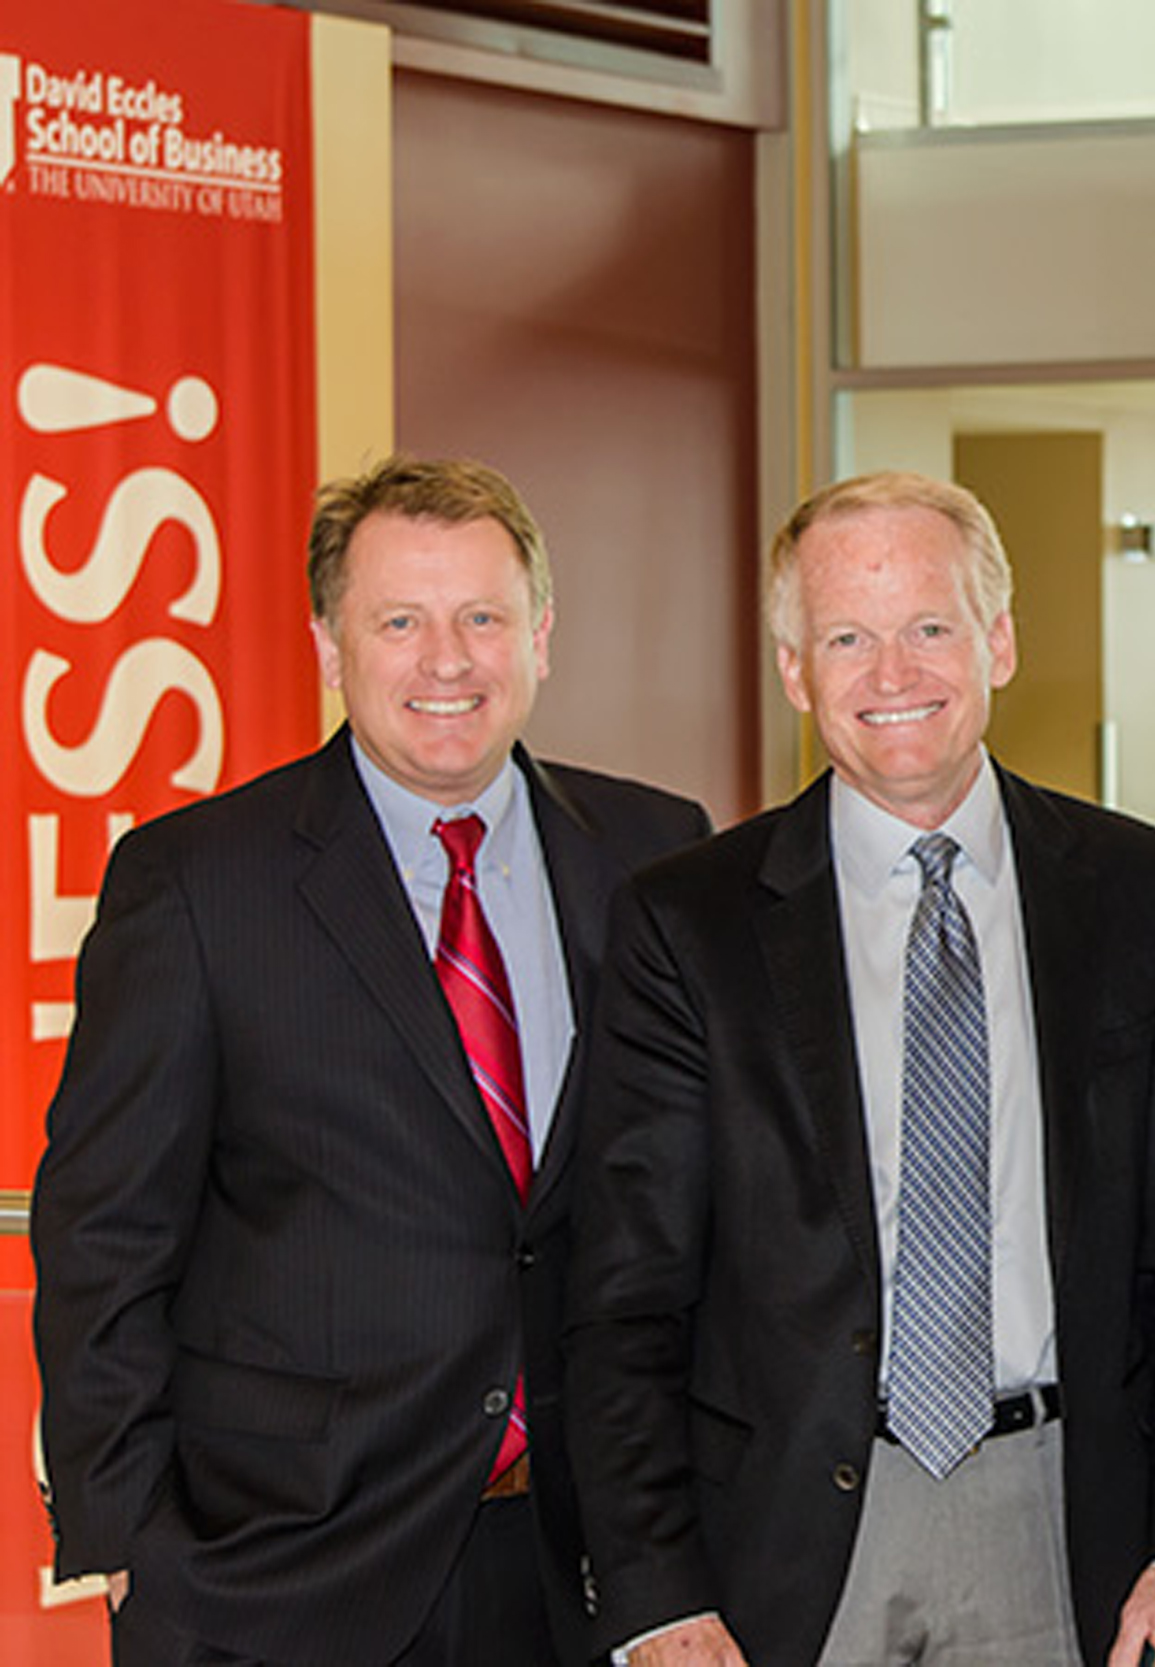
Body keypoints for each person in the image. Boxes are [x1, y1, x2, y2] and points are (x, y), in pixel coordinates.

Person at [32, 456, 712, 1665]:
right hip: (281, 1575)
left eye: (483, 617)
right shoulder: (196, 881)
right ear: (330, 644)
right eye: (399, 620)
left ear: (541, 636)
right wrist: (131, 1538)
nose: (446, 660)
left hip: (585, 1569)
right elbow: (103, 1233)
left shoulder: (656, 855)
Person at [562, 470, 1155, 1667]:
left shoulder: (1136, 890)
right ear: (794, 670)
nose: (892, 673)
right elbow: (625, 1291)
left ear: (1000, 641)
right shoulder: (688, 920)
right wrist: (657, 1592)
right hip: (781, 1539)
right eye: (846, 637)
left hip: (1063, 1521)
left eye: (930, 626)